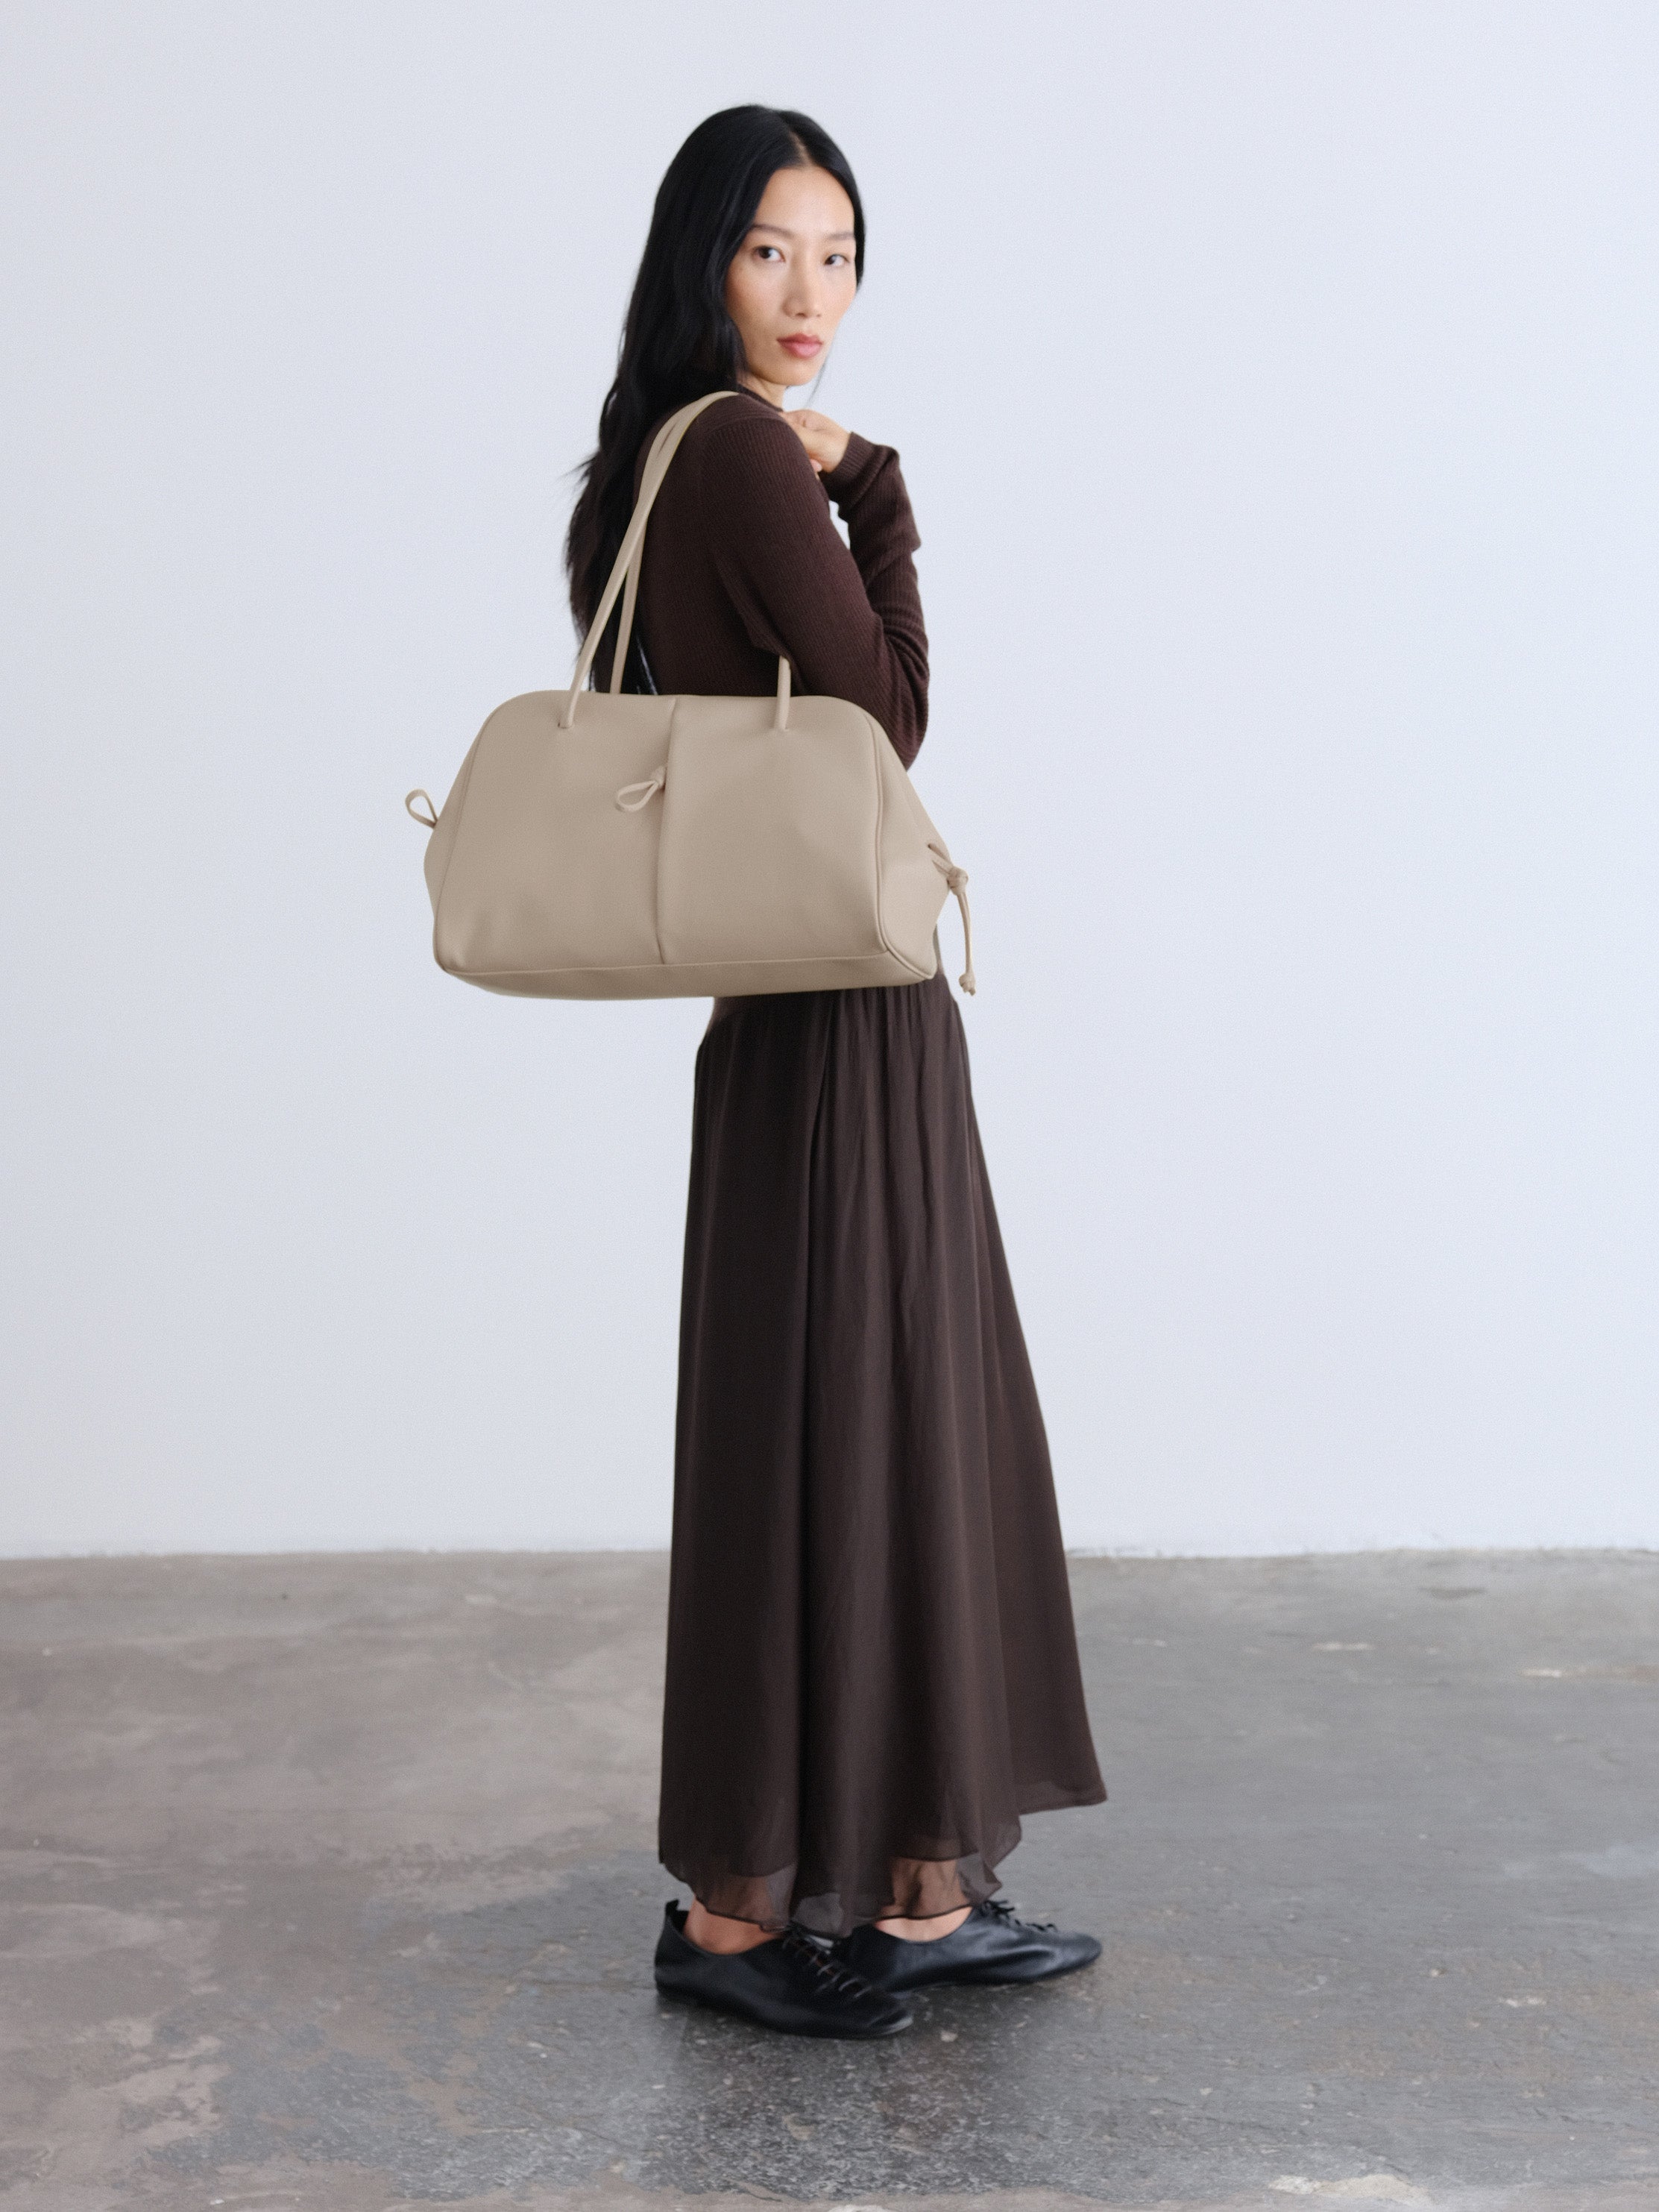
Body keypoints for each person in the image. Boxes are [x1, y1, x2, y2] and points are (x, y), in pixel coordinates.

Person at [565, 106, 1106, 2040]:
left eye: (840, 254)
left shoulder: (649, 459)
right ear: (703, 260)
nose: (813, 294)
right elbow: (883, 716)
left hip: (791, 1008)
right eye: (771, 250)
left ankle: (901, 1890)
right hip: (840, 1008)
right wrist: (875, 489)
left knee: (840, 1426)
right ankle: (755, 1918)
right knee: (871, 1421)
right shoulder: (739, 453)